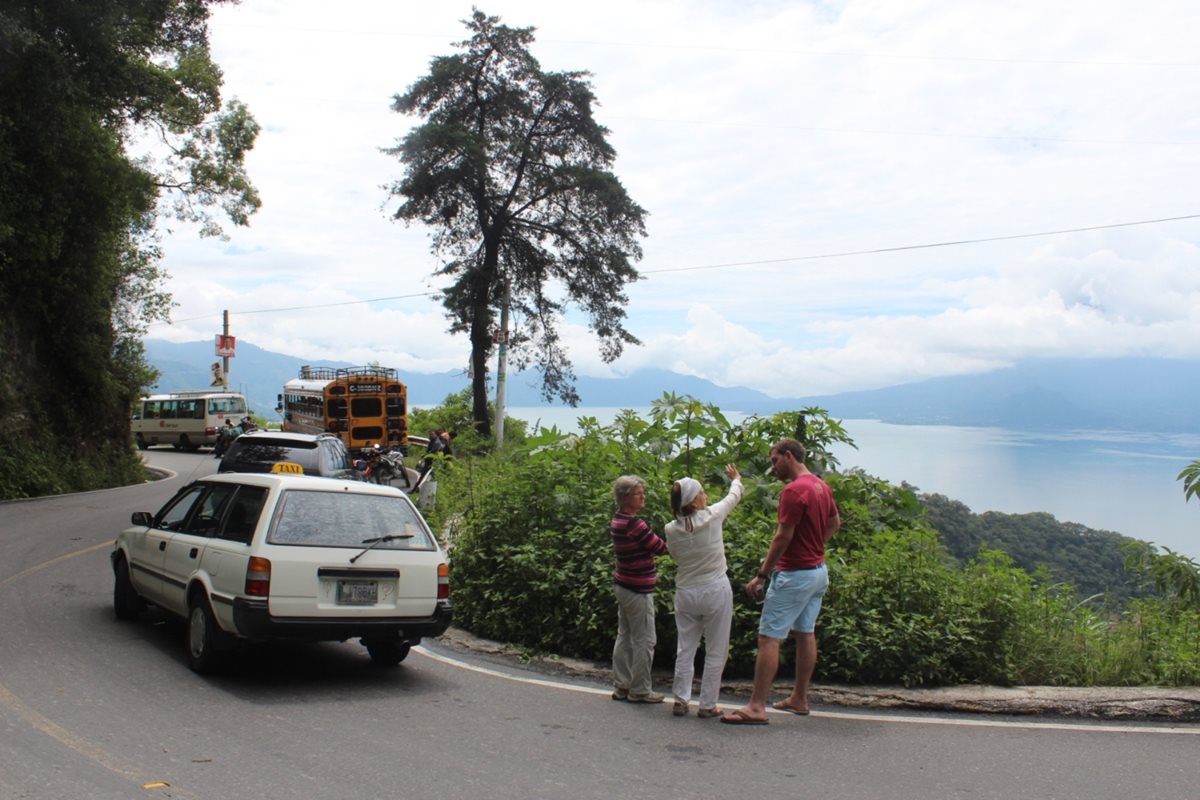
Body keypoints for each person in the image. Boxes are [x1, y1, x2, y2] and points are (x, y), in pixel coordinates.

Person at [721, 438, 841, 725]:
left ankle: (756, 707)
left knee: (768, 638)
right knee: (805, 632)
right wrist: (815, 546)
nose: (773, 467)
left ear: (789, 456)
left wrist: (763, 574)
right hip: (818, 572)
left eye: (775, 460)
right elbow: (835, 523)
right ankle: (799, 698)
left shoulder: (793, 490)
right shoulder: (820, 486)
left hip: (795, 574)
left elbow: (782, 537)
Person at [662, 464, 744, 718]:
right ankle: (708, 704)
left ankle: (680, 699)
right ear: (694, 500)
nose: (705, 495)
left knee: (685, 648)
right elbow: (734, 496)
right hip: (715, 588)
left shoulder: (670, 529)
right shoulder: (712, 516)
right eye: (701, 492)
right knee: (716, 650)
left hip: (686, 591)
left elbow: (675, 555)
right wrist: (736, 479)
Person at [610, 475, 668, 704]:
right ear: (625, 497)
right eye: (638, 493)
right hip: (637, 588)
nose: (643, 496)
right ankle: (640, 690)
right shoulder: (634, 524)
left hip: (623, 584)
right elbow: (660, 547)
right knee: (645, 639)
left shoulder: (618, 520)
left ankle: (622, 685)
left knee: (624, 637)